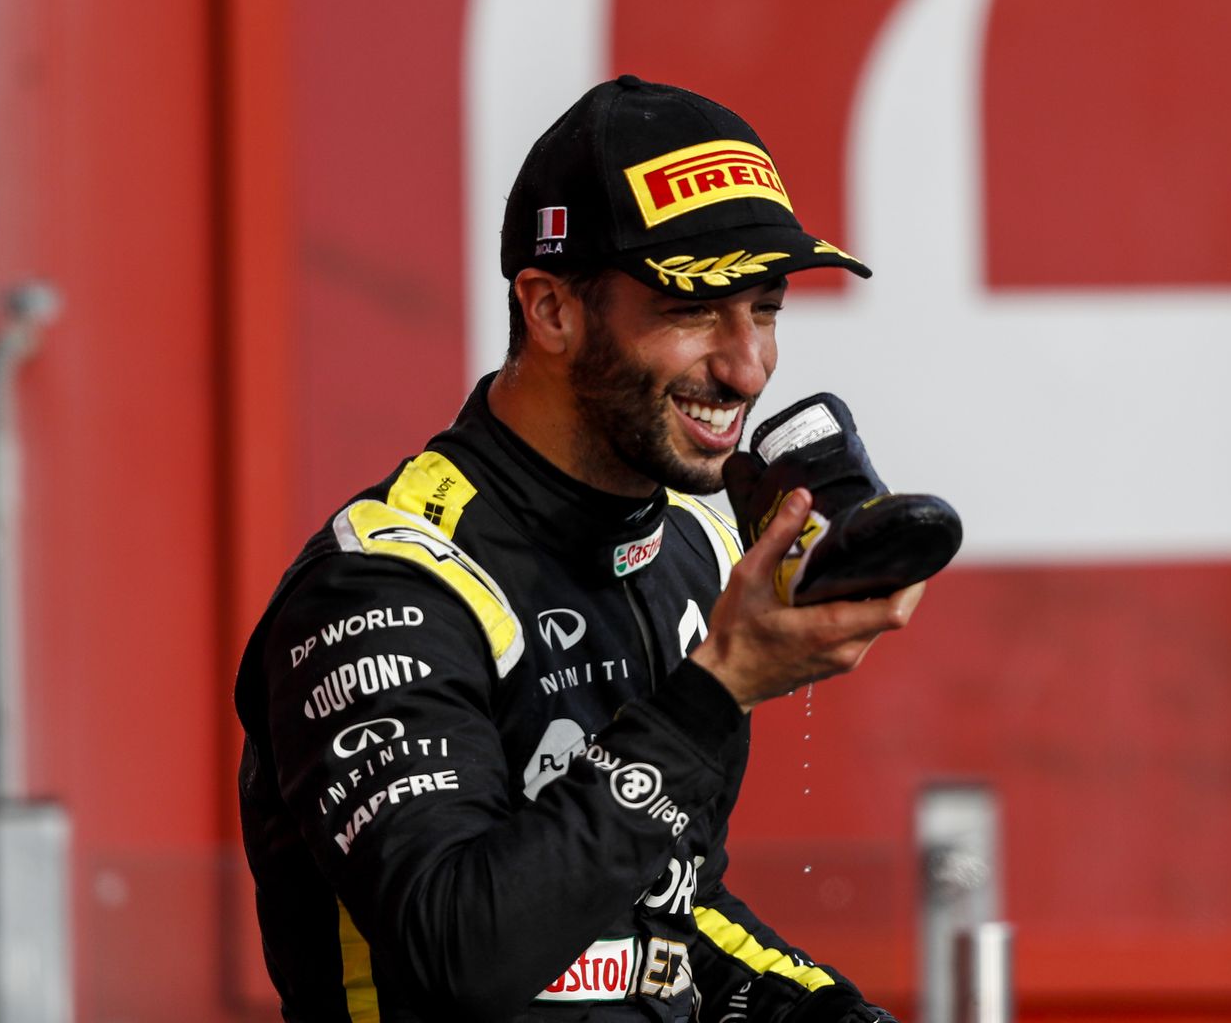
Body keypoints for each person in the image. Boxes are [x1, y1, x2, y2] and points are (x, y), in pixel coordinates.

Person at [234, 75, 923, 1022]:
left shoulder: (691, 544)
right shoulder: (387, 580)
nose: (747, 365)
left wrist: (828, 1016)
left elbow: (666, 912)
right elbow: (460, 955)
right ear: (551, 309)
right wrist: (715, 691)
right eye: (695, 309)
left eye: (765, 309)